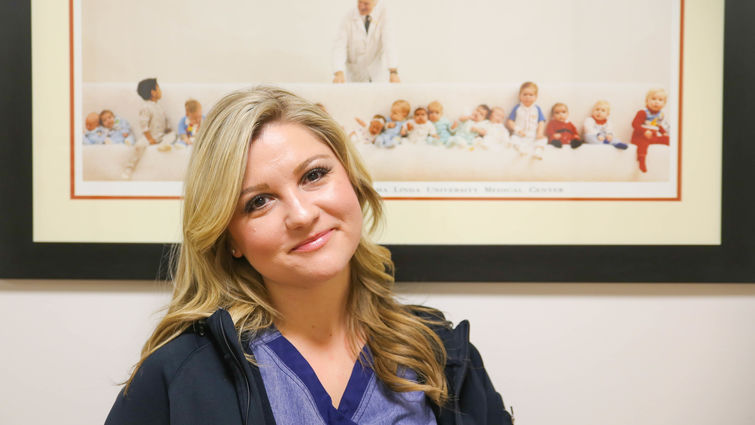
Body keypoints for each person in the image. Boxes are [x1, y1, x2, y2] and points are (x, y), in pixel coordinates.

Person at [104, 86, 512, 425]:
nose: (301, 215)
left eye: (314, 175)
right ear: (229, 236)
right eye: (259, 201)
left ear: (351, 179)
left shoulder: (442, 353)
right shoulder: (178, 375)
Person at [332, 0, 400, 83]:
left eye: (366, 4)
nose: (361, 6)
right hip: (355, 75)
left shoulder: (384, 14)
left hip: (376, 74)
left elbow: (389, 43)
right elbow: (339, 46)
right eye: (359, 2)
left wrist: (393, 72)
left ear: (376, 3)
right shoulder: (348, 17)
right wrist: (338, 72)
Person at [631, 88, 670, 172]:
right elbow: (635, 124)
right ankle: (641, 160)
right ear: (646, 101)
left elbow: (658, 126)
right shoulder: (643, 112)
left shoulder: (660, 115)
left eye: (660, 100)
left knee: (668, 139)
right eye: (653, 99)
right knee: (642, 145)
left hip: (653, 137)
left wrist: (663, 133)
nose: (656, 102)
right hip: (640, 137)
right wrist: (644, 131)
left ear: (664, 104)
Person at [506, 81, 547, 159]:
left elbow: (541, 122)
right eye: (524, 94)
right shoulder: (517, 108)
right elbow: (509, 121)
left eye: (531, 95)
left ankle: (538, 152)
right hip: (519, 135)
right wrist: (517, 130)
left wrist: (539, 133)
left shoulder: (536, 109)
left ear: (536, 97)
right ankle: (521, 149)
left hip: (533, 135)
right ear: (519, 96)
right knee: (513, 139)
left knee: (543, 139)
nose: (527, 97)